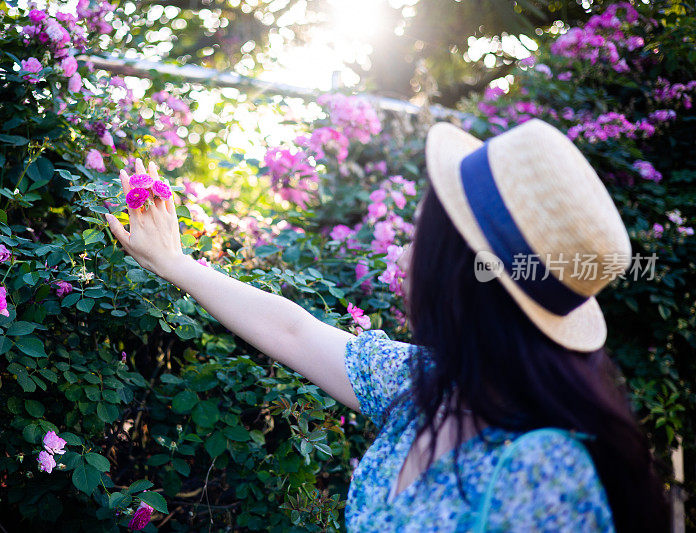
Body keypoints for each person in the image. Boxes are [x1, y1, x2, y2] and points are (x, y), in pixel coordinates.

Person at [104, 118, 669, 532]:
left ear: (459, 277)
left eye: (419, 236)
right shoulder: (429, 382)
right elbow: (294, 332)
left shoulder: (544, 473)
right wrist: (176, 265)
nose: (401, 259)